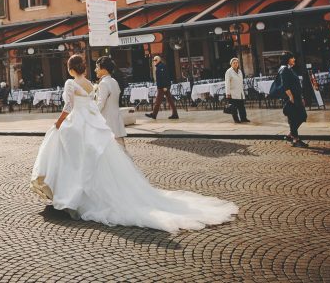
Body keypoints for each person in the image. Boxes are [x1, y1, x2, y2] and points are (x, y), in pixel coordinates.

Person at [31, 55, 236, 231]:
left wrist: (58, 122)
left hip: (78, 122)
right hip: (91, 122)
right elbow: (92, 105)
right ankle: (80, 190)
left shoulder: (71, 83)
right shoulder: (89, 84)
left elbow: (69, 105)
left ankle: (69, 192)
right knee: (91, 158)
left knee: (70, 155)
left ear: (70, 69)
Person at [95, 56, 127, 149]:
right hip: (116, 117)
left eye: (97, 67)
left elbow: (101, 103)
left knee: (110, 149)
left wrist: (92, 114)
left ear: (103, 69)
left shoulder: (103, 83)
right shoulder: (114, 81)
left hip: (107, 119)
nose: (95, 70)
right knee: (120, 147)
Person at [280, 53, 308, 148]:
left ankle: (291, 134)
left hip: (297, 97)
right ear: (287, 59)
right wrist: (291, 97)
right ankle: (296, 139)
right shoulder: (284, 69)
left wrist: (301, 97)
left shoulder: (289, 69)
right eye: (292, 58)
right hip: (291, 98)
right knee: (293, 118)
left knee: (302, 116)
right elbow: (285, 85)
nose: (294, 59)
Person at [145, 54, 178, 120]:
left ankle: (154, 115)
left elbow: (164, 77)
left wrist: (165, 86)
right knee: (170, 100)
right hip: (163, 86)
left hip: (162, 87)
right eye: (153, 60)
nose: (154, 61)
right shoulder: (160, 66)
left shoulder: (160, 67)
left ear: (159, 60)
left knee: (158, 101)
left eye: (155, 60)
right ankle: (175, 114)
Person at [224, 58, 248, 124]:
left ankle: (243, 118)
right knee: (234, 107)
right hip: (233, 93)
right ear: (231, 64)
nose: (235, 64)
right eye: (234, 63)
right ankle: (236, 119)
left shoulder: (240, 71)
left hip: (240, 92)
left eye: (236, 63)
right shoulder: (228, 72)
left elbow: (241, 82)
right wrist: (228, 93)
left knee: (242, 107)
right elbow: (227, 83)